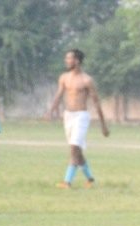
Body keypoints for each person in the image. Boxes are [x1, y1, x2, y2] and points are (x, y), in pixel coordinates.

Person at [47, 49, 109, 189]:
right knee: (77, 151)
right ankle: (90, 180)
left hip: (81, 116)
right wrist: (51, 111)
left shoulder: (87, 80)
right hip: (68, 116)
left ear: (77, 61)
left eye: (69, 58)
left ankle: (67, 181)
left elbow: (96, 101)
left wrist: (103, 125)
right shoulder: (64, 77)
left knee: (74, 148)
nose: (66, 61)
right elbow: (58, 95)